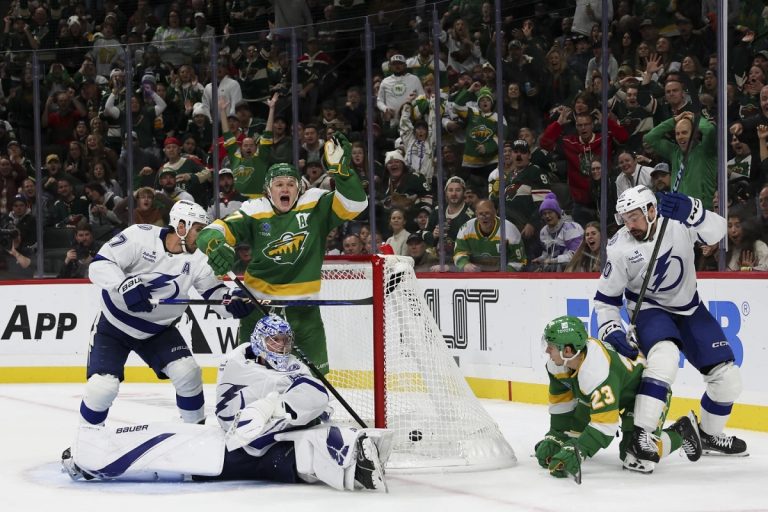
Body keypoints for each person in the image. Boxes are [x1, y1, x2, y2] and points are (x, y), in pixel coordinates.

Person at [62, 315, 391, 491]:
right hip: (232, 445)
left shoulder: (291, 367)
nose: (283, 346)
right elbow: (230, 418)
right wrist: (272, 405)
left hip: (266, 445)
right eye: (276, 340)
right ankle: (91, 458)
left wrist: (274, 406)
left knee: (306, 446)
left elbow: (317, 399)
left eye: (286, 340)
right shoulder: (239, 364)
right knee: (162, 443)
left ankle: (355, 464)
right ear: (261, 341)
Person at [594, 185, 749, 464]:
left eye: (635, 216)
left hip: (690, 307)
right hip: (650, 309)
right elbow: (605, 300)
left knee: (728, 380)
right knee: (664, 358)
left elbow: (719, 232)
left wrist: (695, 212)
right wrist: (611, 328)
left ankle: (707, 435)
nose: (630, 225)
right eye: (625, 218)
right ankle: (642, 435)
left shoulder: (677, 221)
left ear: (652, 210)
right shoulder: (619, 248)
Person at [196, 134, 367, 373]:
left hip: (304, 311)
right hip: (258, 307)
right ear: (268, 189)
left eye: (290, 183)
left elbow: (357, 205)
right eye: (279, 184)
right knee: (248, 379)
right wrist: (215, 245)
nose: (285, 188)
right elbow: (213, 231)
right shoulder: (255, 209)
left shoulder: (315, 204)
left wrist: (342, 171)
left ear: (300, 187)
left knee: (314, 385)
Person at [79, 201, 255, 427]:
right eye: (199, 230)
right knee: (102, 387)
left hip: (159, 330)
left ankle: (195, 437)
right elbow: (99, 266)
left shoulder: (201, 257)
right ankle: (86, 441)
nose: (202, 237)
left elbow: (215, 294)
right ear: (181, 226)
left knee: (188, 374)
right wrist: (124, 284)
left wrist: (233, 302)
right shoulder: (139, 236)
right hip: (114, 326)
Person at [535, 315, 702, 478]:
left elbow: (605, 425)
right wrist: (557, 436)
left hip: (641, 396)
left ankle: (682, 431)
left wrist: (578, 451)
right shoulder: (558, 365)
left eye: (551, 346)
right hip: (610, 393)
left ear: (568, 350)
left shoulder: (596, 370)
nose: (547, 350)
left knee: (636, 458)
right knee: (567, 439)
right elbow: (562, 403)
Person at [453, 199, 525, 272]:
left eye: (487, 213)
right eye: (481, 214)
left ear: (495, 213)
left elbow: (518, 261)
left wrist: (505, 274)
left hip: (502, 277)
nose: (484, 217)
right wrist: (465, 264)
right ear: (476, 214)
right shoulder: (466, 229)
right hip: (475, 275)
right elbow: (459, 253)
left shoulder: (510, 229)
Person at [530, 193, 584, 272]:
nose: (547, 216)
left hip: (575, 268)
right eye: (544, 213)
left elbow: (575, 254)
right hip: (555, 268)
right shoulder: (543, 232)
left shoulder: (570, 228)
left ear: (557, 213)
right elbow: (547, 253)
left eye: (550, 212)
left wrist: (554, 261)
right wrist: (540, 259)